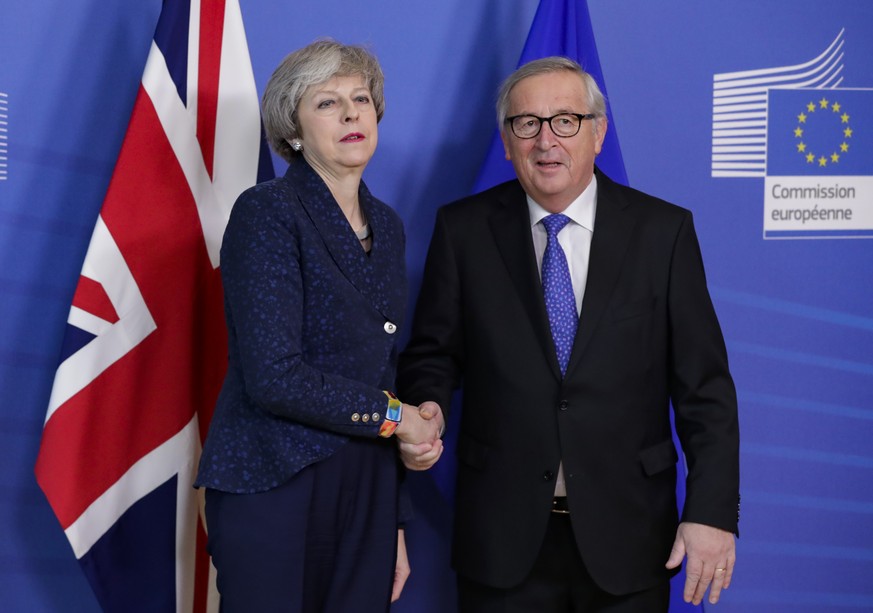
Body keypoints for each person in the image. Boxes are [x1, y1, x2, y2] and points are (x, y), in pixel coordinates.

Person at [397, 56, 740, 612]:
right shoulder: (462, 231)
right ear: (507, 142)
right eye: (526, 124)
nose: (545, 141)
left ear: (598, 132)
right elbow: (431, 354)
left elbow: (706, 389)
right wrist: (428, 405)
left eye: (565, 121)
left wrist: (711, 512)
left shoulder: (663, 233)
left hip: (630, 538)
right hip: (502, 541)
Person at [195, 39, 443, 613]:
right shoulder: (268, 212)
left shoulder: (388, 224)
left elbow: (381, 366)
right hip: (274, 477)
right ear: (294, 130)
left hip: (368, 485)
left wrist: (396, 518)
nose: (353, 112)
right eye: (328, 103)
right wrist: (396, 418)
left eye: (361, 98)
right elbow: (275, 377)